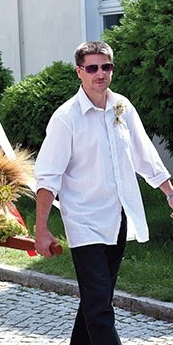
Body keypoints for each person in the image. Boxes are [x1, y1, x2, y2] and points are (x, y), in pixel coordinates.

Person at [34, 41, 173, 345]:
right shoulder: (65, 118)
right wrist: (41, 229)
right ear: (79, 72)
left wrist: (168, 191)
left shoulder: (122, 106)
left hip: (118, 219)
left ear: (112, 69)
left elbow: (143, 153)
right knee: (99, 307)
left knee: (96, 299)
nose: (100, 74)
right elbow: (48, 177)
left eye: (106, 66)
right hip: (84, 222)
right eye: (93, 68)